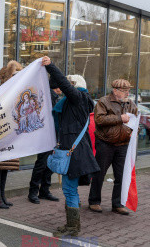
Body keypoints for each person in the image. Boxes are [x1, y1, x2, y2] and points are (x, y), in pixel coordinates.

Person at [42, 57, 100, 237]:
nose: (62, 89)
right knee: (69, 188)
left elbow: (63, 85)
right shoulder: (72, 102)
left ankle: (73, 227)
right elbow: (56, 84)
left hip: (74, 153)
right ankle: (71, 224)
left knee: (69, 189)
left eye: (69, 85)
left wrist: (50, 66)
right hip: (71, 151)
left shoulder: (80, 98)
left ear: (75, 86)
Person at [88, 79, 138, 215]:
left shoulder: (131, 103)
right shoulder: (104, 102)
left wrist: (135, 130)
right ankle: (94, 201)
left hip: (123, 145)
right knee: (99, 174)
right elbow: (99, 120)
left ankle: (118, 204)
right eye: (124, 90)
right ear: (115, 90)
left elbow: (134, 120)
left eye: (128, 90)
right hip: (105, 143)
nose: (128, 93)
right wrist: (119, 118)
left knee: (121, 175)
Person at [0, 61, 21, 209]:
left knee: (5, 166)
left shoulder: (13, 91)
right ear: (5, 76)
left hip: (9, 133)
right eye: (14, 74)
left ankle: (1, 195)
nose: (17, 77)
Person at [27, 78, 62, 204]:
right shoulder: (50, 97)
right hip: (49, 136)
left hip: (49, 136)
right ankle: (38, 191)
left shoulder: (51, 97)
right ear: (57, 87)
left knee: (45, 164)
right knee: (43, 164)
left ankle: (39, 191)